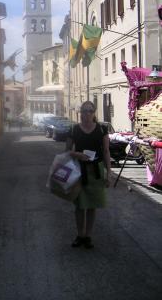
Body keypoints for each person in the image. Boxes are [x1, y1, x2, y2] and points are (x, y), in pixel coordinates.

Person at [66, 101, 112, 249]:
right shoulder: (73, 129)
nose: (86, 114)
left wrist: (109, 172)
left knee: (92, 206)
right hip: (79, 171)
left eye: (90, 111)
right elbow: (67, 151)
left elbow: (106, 151)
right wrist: (77, 154)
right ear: (80, 112)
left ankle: (88, 236)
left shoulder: (102, 129)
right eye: (84, 111)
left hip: (97, 171)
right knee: (79, 206)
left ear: (94, 112)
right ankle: (80, 235)